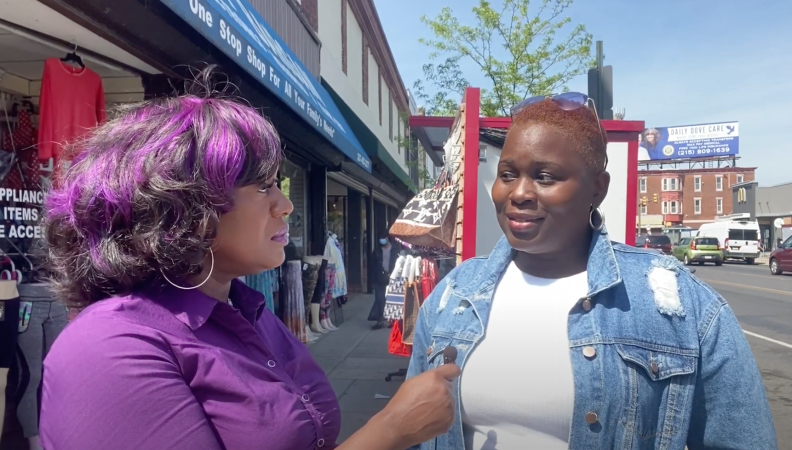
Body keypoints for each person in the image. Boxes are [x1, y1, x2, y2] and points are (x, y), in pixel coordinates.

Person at [39, 70, 460, 450]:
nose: (286, 205)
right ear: (184, 206)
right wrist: (390, 430)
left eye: (278, 184)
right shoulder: (111, 346)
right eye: (262, 187)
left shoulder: (246, 310)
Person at [406, 93, 777, 450]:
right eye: (507, 174)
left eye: (546, 176)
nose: (518, 192)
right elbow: (410, 432)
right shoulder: (454, 295)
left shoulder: (677, 304)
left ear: (597, 189)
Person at [368, 229, 399, 330]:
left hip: (392, 277)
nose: (381, 240)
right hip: (379, 278)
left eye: (383, 238)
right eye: (380, 239)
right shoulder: (376, 250)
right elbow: (371, 266)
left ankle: (391, 321)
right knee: (379, 299)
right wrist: (372, 280)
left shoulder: (395, 249)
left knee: (391, 300)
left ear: (387, 238)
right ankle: (380, 320)